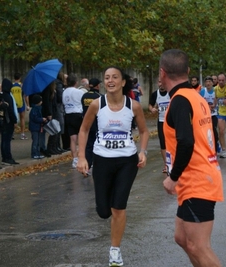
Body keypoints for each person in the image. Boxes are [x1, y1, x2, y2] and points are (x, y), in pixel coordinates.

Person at [77, 66, 149, 266]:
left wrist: (142, 151)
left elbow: (144, 131)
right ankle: (107, 206)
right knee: (103, 211)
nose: (110, 81)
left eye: (114, 77)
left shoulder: (133, 106)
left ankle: (115, 251)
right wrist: (81, 157)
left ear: (123, 82)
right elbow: (83, 130)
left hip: (127, 160)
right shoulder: (96, 105)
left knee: (119, 207)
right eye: (107, 78)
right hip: (102, 160)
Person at [159, 49, 223, 267]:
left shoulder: (179, 101)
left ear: (162, 74)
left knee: (198, 246)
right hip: (197, 178)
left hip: (198, 180)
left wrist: (173, 176)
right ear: (187, 71)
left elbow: (186, 141)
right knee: (182, 238)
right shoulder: (196, 96)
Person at [80, 78, 102, 175]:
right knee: (98, 145)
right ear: (97, 86)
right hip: (97, 123)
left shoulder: (84, 96)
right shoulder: (100, 97)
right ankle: (97, 165)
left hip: (87, 123)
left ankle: (87, 166)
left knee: (88, 145)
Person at [62, 73, 84, 168]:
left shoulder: (64, 92)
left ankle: (74, 159)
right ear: (76, 82)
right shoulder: (79, 92)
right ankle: (82, 157)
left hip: (68, 115)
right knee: (81, 137)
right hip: (77, 114)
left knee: (72, 139)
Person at [148, 79, 170, 172]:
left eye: (162, 82)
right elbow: (150, 105)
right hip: (161, 121)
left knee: (172, 142)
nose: (161, 84)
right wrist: (152, 109)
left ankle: (174, 162)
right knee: (163, 143)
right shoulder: (155, 94)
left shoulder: (170, 92)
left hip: (171, 122)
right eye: (159, 82)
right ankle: (166, 164)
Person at [0, 78, 19, 165]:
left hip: (3, 120)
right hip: (8, 121)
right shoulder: (8, 96)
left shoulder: (2, 95)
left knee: (4, 139)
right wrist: (14, 120)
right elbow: (10, 110)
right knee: (7, 140)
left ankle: (4, 156)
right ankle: (7, 157)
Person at [199, 76, 219, 153]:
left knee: (213, 130)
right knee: (207, 132)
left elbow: (217, 99)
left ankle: (216, 147)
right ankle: (208, 148)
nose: (208, 83)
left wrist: (214, 105)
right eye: (206, 82)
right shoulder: (202, 91)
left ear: (212, 83)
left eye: (209, 82)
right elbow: (199, 102)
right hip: (205, 115)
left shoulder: (215, 90)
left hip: (214, 114)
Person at [11, 73, 28, 140]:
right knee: (22, 118)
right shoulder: (21, 85)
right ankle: (22, 134)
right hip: (21, 103)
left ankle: (12, 134)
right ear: (20, 78)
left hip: (13, 104)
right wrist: (28, 105)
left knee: (13, 119)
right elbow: (26, 96)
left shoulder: (11, 86)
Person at [29, 94, 47, 159]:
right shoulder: (34, 109)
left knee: (38, 141)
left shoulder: (38, 109)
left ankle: (37, 153)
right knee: (35, 141)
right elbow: (35, 118)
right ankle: (34, 153)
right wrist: (42, 119)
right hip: (34, 128)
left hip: (38, 127)